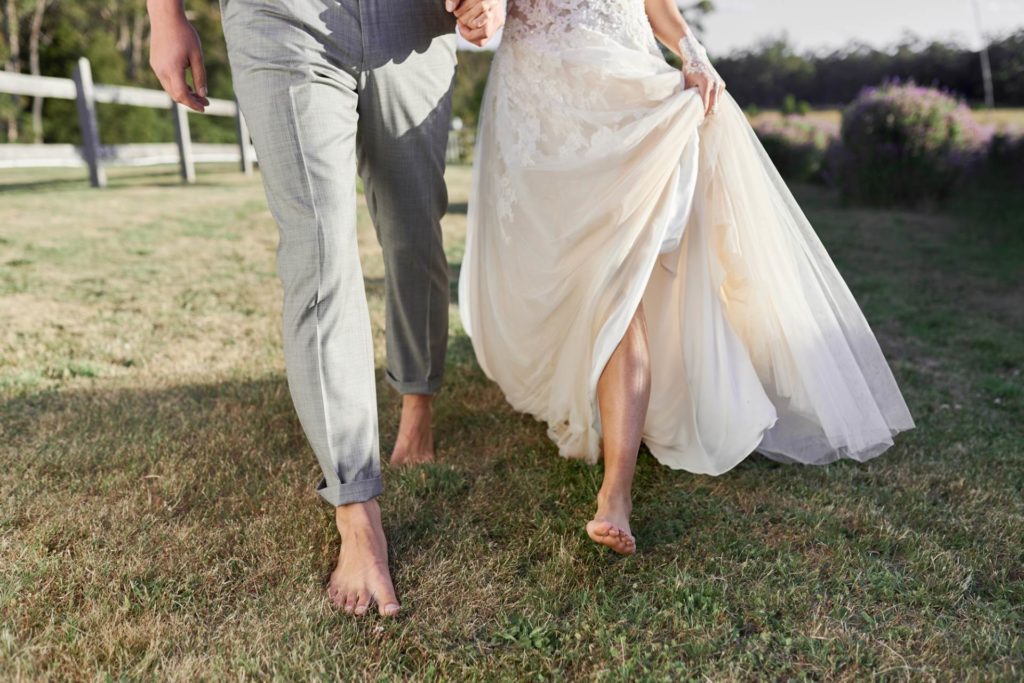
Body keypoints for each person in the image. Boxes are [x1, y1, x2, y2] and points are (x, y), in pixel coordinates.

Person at [458, 0, 915, 555]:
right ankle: (611, 429)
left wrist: (694, 54)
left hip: (629, 93)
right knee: (582, 274)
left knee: (622, 276)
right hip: (545, 105)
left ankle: (616, 494)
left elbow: (657, 7)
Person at [146, 0, 503, 615]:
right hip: (279, 15)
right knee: (319, 249)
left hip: (413, 19)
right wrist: (164, 16)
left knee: (413, 228)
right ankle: (356, 509)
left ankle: (418, 400)